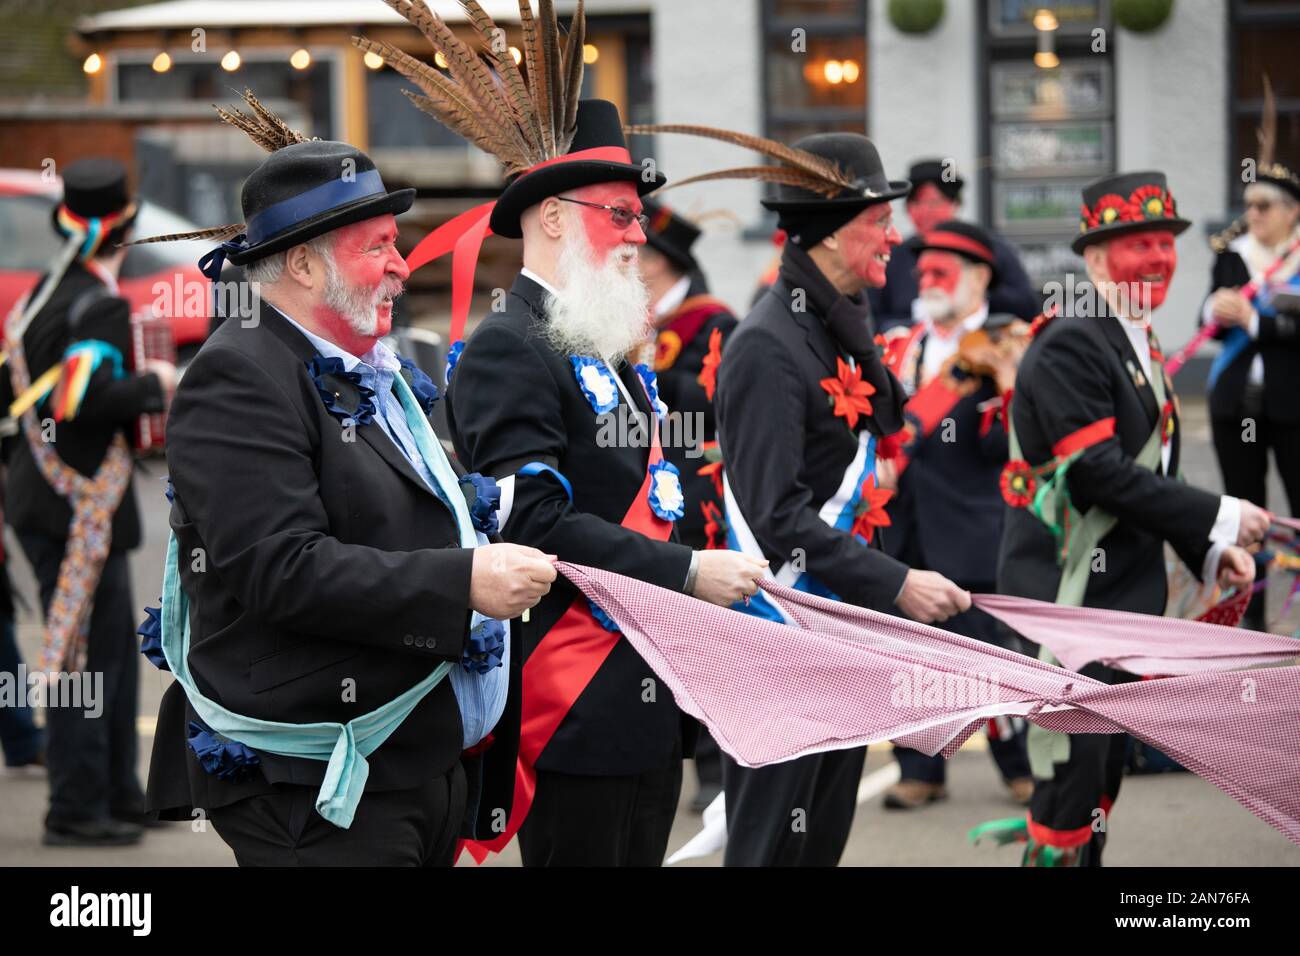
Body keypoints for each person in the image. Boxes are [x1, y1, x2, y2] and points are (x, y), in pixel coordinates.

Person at [363, 1, 765, 867]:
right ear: (551, 218)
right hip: (575, 700)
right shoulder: (511, 345)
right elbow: (532, 523)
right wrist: (690, 569)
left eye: (640, 216)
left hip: (650, 691)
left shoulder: (606, 347)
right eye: (618, 214)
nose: (638, 234)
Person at [141, 98, 552, 866]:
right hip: (314, 780)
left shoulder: (365, 367)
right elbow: (281, 569)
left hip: (409, 765)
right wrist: (464, 579)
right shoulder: (239, 374)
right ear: (303, 264)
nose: (403, 265)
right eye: (380, 247)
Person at [636, 126, 971, 865]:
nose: (893, 236)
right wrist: (899, 583)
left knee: (816, 847)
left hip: (834, 629)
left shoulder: (831, 323)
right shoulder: (768, 343)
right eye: (877, 221)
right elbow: (775, 514)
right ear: (828, 236)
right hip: (783, 638)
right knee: (771, 852)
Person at [995, 171, 1269, 866]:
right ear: (1093, 260)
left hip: (1120, 604)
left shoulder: (1134, 337)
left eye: (1165, 244)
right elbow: (1098, 474)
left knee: (1098, 787)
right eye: (1137, 244)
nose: (1157, 258)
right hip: (1071, 602)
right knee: (1067, 790)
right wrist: (1225, 512)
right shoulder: (1072, 341)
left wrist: (1211, 552)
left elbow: (1154, 478)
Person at [0, 157, 176, 846]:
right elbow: (82, 403)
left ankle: (117, 793)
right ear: (122, 232)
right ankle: (76, 807)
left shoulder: (39, 296)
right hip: (81, 510)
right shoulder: (97, 303)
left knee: (94, 653)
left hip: (44, 499)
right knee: (85, 662)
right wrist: (157, 382)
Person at [876, 220, 1033, 809]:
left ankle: (1019, 765)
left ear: (980, 277)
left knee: (988, 653)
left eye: (942, 271)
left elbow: (1021, 446)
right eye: (923, 270)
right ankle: (919, 769)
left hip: (973, 526)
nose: (927, 279)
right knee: (906, 652)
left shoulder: (1009, 341)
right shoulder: (900, 343)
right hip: (899, 523)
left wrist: (1012, 379)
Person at [639, 198, 738, 810]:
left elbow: (709, 408)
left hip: (698, 485)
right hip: (647, 487)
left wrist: (649, 375)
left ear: (663, 261)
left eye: (641, 254)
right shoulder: (636, 320)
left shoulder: (711, 321)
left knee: (708, 627)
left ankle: (717, 770)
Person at [1203, 159, 1300, 630]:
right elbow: (1212, 318)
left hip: (1293, 403)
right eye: (1248, 206)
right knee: (1245, 511)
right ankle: (1252, 617)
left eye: (1263, 206)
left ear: (1291, 211)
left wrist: (1254, 321)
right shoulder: (1233, 253)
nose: (1253, 215)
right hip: (1235, 401)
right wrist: (1216, 309)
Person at [867, 159, 1039, 333]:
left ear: (955, 204)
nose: (925, 211)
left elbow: (1027, 306)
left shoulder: (988, 249)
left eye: (934, 202)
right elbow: (872, 317)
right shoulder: (893, 254)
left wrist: (971, 296)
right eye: (917, 203)